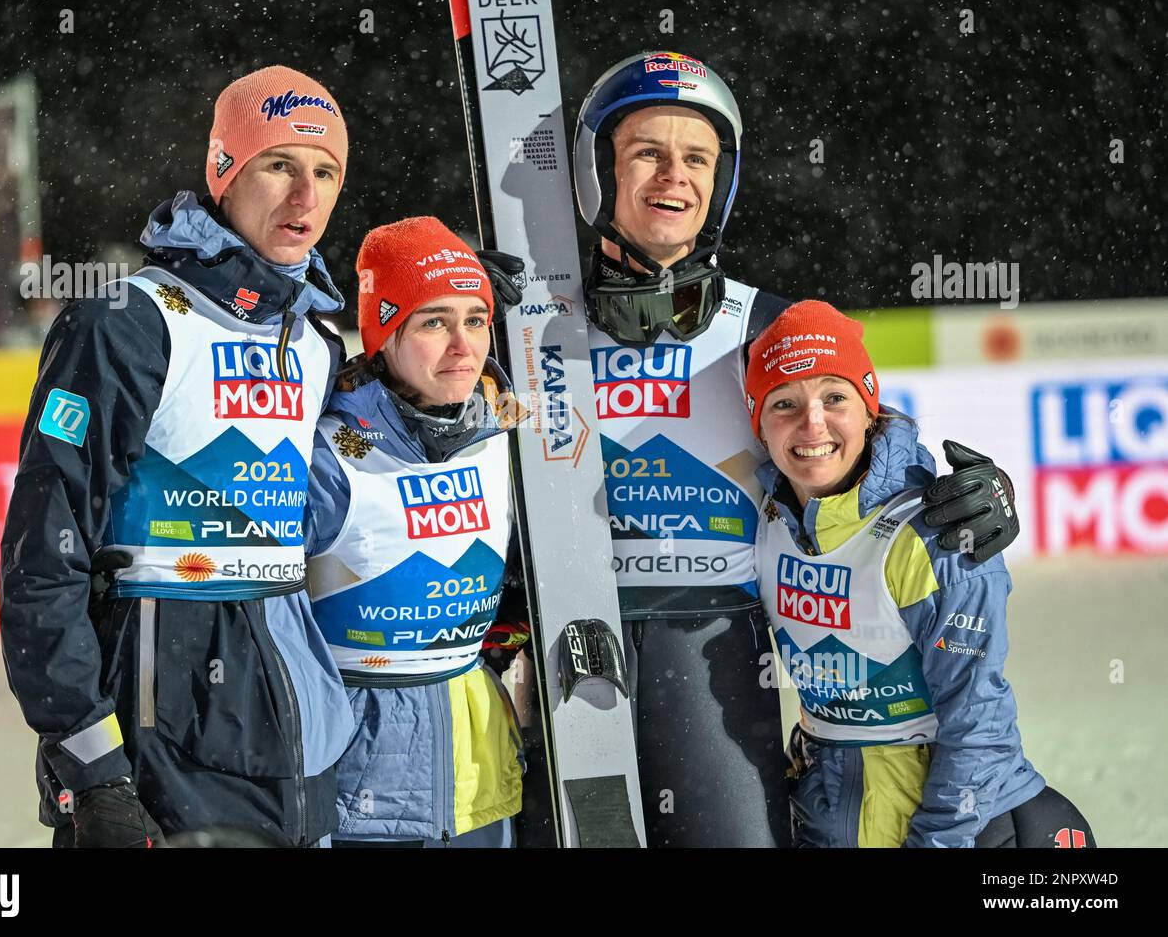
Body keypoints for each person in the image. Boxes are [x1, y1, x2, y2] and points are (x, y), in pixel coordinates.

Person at [556, 51, 1021, 846]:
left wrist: (982, 495)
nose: (674, 175)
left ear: (722, 182)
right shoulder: (524, 325)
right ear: (600, 171)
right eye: (646, 152)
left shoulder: (765, 325)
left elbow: (849, 439)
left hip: (712, 654)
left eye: (696, 157)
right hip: (562, 640)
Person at [0, 65, 356, 847]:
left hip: (300, 746)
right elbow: (42, 554)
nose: (305, 197)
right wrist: (94, 772)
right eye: (279, 165)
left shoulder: (318, 343)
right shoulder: (129, 320)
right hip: (160, 753)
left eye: (325, 172)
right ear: (223, 169)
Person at [746, 299, 1094, 847]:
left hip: (975, 828)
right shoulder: (764, 520)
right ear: (757, 424)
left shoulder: (933, 533)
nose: (812, 423)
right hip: (833, 812)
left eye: (835, 397)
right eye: (784, 402)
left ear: (870, 409)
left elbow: (977, 725)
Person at [286, 217, 526, 847]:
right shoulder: (328, 453)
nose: (462, 346)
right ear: (384, 335)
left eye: (475, 320)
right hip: (360, 791)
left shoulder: (505, 436)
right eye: (433, 322)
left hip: (479, 783)